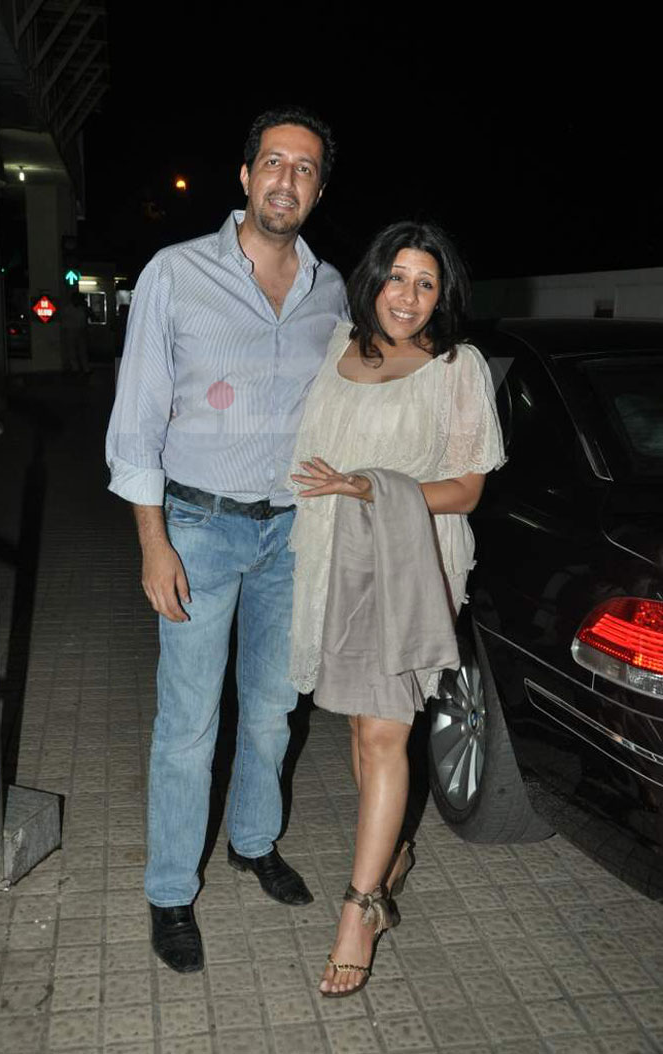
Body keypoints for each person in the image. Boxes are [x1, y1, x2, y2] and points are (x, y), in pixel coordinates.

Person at [105, 106, 347, 973]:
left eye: (306, 167)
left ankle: (252, 840)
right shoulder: (176, 273)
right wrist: (152, 541)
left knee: (275, 711)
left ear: (319, 188)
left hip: (290, 533)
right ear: (245, 177)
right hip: (198, 528)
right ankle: (171, 892)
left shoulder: (331, 290)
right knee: (188, 723)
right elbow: (136, 418)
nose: (287, 178)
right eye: (273, 162)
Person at [289, 220, 506, 997]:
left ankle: (361, 908)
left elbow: (469, 487)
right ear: (372, 279)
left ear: (442, 294)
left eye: (426, 282)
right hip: (331, 561)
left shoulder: (456, 366)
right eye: (397, 277)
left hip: (410, 564)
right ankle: (390, 854)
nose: (408, 296)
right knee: (357, 724)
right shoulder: (338, 350)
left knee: (386, 733)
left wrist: (364, 485)